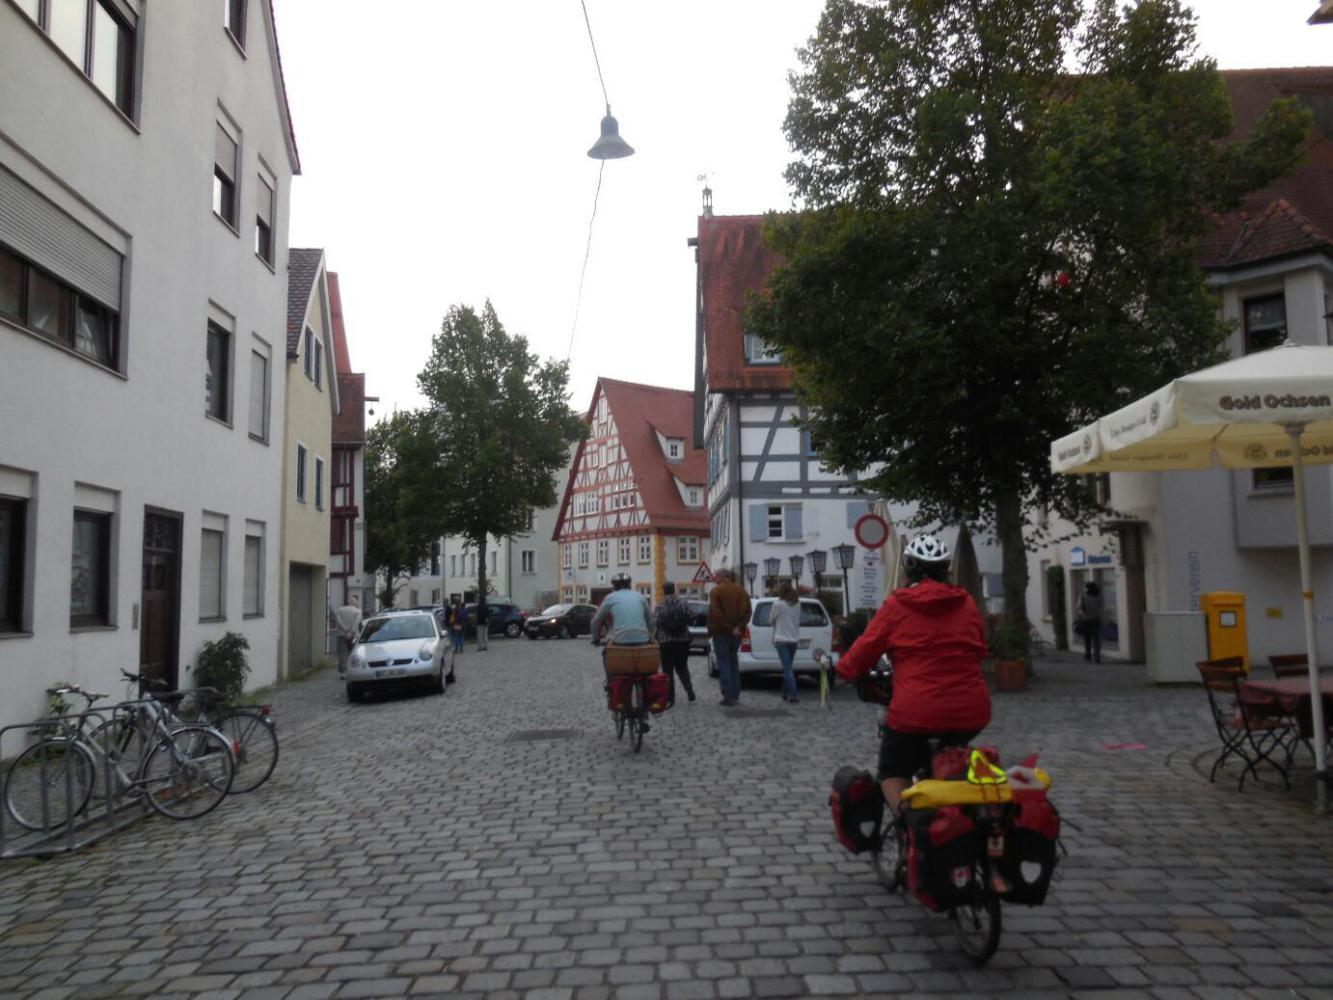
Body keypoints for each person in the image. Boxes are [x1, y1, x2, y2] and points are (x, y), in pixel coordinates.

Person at [834, 533, 990, 815]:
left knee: (892, 771)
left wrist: (844, 669)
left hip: (915, 709)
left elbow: (862, 653)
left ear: (908, 571)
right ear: (946, 570)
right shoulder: (966, 603)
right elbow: (980, 648)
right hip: (971, 709)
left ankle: (911, 827)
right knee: (954, 756)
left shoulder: (898, 605)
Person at [707, 568, 752, 707]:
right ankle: (735, 694)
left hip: (722, 632)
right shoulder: (742, 591)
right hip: (737, 633)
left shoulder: (716, 591)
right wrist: (739, 626)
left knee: (724, 663)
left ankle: (728, 696)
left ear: (723, 577)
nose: (714, 579)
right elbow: (748, 612)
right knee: (733, 662)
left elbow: (716, 613)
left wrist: (729, 628)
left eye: (716, 576)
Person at [654, 581, 696, 704]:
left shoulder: (660, 605)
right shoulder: (683, 603)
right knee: (682, 666)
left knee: (667, 670)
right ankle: (689, 689)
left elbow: (656, 622)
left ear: (664, 591)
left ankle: (670, 696)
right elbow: (692, 616)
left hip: (665, 641)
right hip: (682, 640)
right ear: (674, 590)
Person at [590, 572, 651, 645]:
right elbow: (650, 621)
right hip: (642, 639)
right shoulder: (641, 597)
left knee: (608, 650)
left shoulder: (610, 597)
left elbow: (596, 620)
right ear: (629, 585)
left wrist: (596, 639)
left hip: (619, 640)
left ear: (616, 586)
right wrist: (652, 637)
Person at [771, 583, 801, 703]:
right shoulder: (797, 604)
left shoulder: (778, 604)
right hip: (794, 639)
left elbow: (770, 619)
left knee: (787, 668)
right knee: (788, 667)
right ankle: (784, 692)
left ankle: (794, 694)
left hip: (781, 639)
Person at [334, 594, 363, 677]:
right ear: (356, 602)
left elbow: (339, 621)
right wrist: (350, 632)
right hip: (354, 635)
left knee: (342, 653)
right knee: (354, 652)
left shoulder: (340, 610)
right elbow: (356, 623)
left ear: (348, 601)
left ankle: (343, 672)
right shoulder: (358, 611)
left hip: (341, 634)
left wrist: (346, 631)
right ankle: (354, 669)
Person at [1077, 581, 1103, 664]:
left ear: (1087, 588)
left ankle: (1088, 655)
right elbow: (1100, 606)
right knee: (1096, 639)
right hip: (1096, 619)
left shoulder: (1083, 595)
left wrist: (1080, 615)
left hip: (1086, 620)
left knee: (1087, 639)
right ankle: (1097, 657)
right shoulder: (1098, 595)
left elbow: (1079, 607)